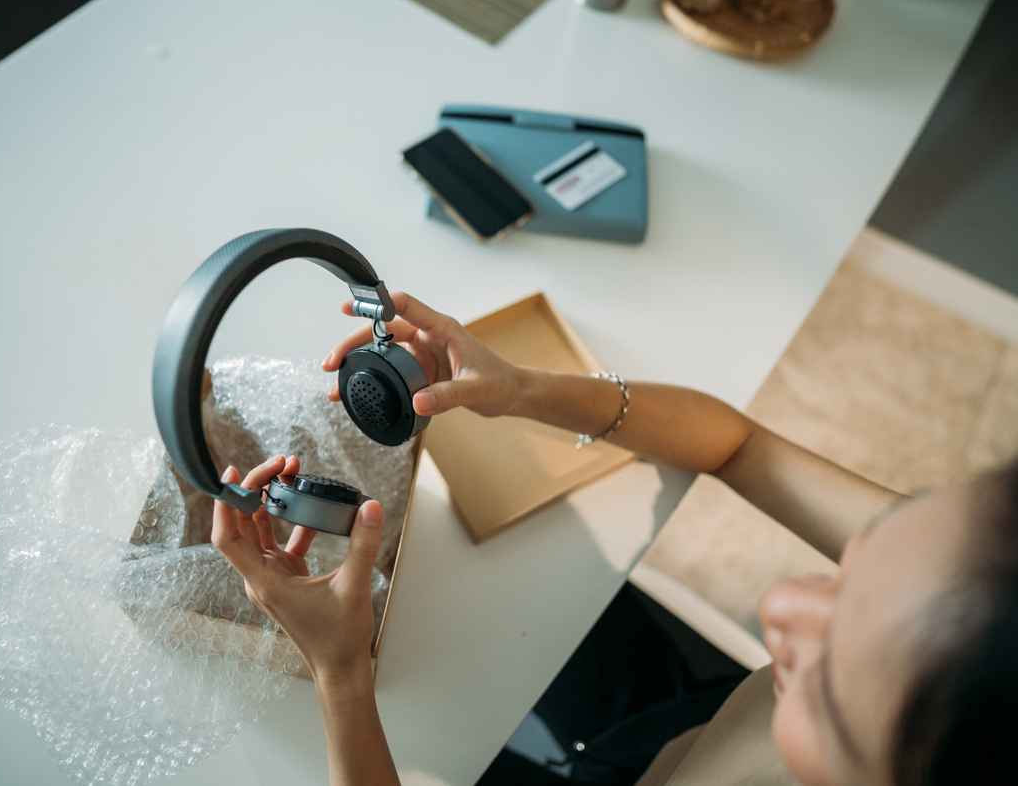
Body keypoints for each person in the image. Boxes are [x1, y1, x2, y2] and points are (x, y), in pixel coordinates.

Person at [211, 292, 1018, 786]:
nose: (779, 601)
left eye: (831, 680)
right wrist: (520, 388)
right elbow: (740, 444)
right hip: (672, 729)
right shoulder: (977, 593)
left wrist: (341, 673)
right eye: (857, 562)